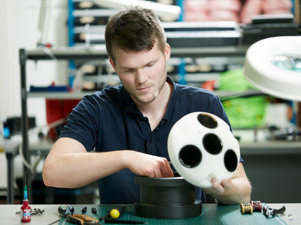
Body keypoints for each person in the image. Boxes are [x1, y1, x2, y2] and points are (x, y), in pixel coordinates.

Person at [42, 7, 251, 204]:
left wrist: (218, 189)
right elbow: (52, 173)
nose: (141, 79)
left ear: (166, 53)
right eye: (129, 70)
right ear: (113, 65)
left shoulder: (205, 105)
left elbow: (243, 191)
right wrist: (125, 158)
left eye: (150, 65)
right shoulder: (96, 108)